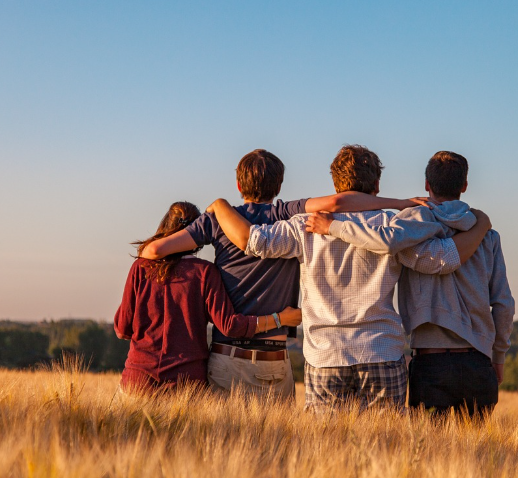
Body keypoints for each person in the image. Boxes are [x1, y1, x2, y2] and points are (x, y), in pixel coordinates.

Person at [206, 145, 492, 412]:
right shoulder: (393, 227)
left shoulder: (304, 226)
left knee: (326, 451)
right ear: (377, 186)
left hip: (325, 356)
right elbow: (442, 260)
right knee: (386, 449)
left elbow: (253, 241)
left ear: (335, 185)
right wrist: (480, 226)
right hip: (381, 351)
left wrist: (220, 206)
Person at [138, 149, 427, 400]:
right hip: (273, 359)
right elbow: (339, 203)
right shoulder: (287, 214)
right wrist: (399, 203)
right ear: (279, 185)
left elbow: (152, 252)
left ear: (239, 184)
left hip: (226, 355)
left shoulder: (217, 220)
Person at [306, 151, 514, 418]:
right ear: (464, 186)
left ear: (427, 184)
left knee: (426, 453)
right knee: (476, 455)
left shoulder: (408, 226)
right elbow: (504, 304)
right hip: (479, 361)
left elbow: (387, 241)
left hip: (430, 363)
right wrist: (498, 356)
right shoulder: (487, 235)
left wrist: (334, 227)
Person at [114, 201, 301, 393]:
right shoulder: (204, 272)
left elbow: (122, 329)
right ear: (197, 233)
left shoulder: (141, 268)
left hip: (138, 381)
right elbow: (230, 326)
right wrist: (280, 319)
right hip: (186, 385)